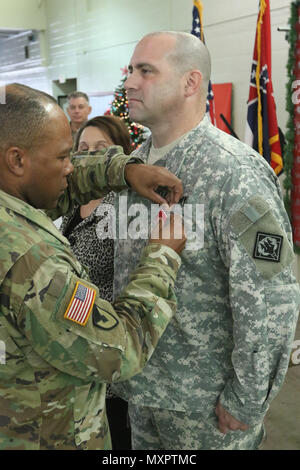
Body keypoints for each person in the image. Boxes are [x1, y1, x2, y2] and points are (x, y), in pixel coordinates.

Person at [112, 31, 300, 450]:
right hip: (143, 392)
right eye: (130, 70)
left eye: (145, 71)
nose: (130, 82)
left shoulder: (235, 174)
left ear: (190, 83)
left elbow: (272, 297)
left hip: (205, 409)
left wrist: (248, 398)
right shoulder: (135, 166)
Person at [0, 83, 186, 450]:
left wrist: (123, 170)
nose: (71, 167)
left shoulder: (12, 205)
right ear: (17, 160)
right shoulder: (33, 263)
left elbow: (59, 187)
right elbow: (118, 350)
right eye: (63, 157)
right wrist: (163, 255)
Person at [60, 115, 133, 449]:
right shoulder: (70, 198)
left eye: (101, 149)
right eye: (83, 148)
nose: (89, 156)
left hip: (111, 350)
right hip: (75, 350)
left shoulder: (126, 205)